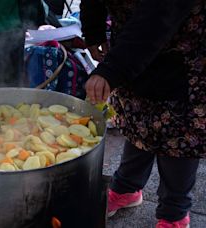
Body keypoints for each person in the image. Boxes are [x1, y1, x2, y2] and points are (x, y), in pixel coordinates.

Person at [80, 0, 205, 227]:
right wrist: (93, 30)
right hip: (132, 48)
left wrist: (111, 69)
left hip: (183, 51)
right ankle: (127, 188)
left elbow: (158, 16)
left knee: (178, 140)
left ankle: (174, 213)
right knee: (138, 123)